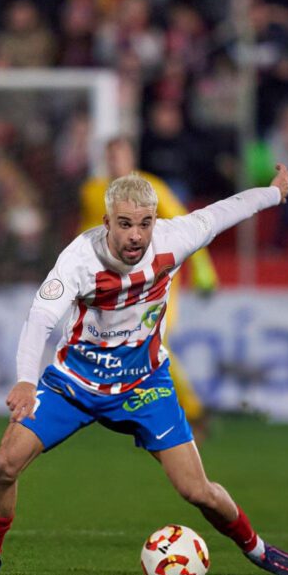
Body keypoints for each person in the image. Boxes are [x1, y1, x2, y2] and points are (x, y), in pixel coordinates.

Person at [0, 164, 288, 575]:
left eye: (144, 224)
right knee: (4, 465)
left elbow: (224, 211)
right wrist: (25, 380)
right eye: (125, 224)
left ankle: (258, 551)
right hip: (73, 383)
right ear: (107, 221)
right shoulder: (79, 259)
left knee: (197, 490)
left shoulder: (174, 239)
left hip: (144, 384)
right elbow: (40, 318)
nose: (136, 236)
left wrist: (272, 193)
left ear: (155, 221)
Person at [79, 136, 216, 432]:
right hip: (118, 285)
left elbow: (189, 226)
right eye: (111, 156)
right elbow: (87, 235)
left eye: (121, 155)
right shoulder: (93, 192)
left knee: (155, 340)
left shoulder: (151, 189)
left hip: (157, 280)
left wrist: (204, 269)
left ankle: (192, 411)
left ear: (131, 158)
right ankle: (143, 410)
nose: (116, 162)